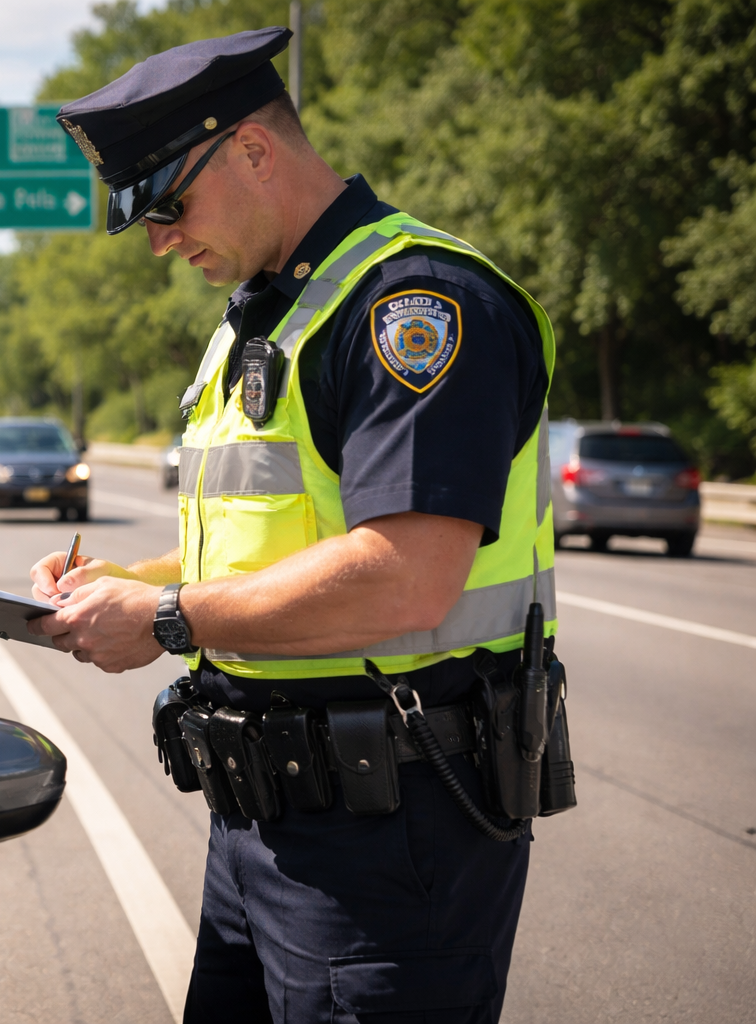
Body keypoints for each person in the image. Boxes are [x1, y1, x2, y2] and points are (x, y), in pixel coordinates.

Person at [29, 26, 557, 1024]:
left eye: (167, 205)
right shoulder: (267, 313)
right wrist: (122, 587)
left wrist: (169, 618)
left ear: (254, 151)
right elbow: (269, 542)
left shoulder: (410, 304)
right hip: (263, 825)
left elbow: (406, 576)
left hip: (395, 831)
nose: (157, 239)